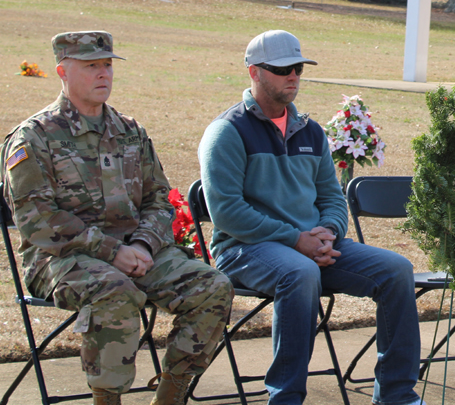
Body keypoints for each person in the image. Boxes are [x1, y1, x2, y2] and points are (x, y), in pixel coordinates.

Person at [1, 31, 233, 405]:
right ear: (62, 71)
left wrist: (142, 244)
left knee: (212, 286)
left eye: (107, 65)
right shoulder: (35, 136)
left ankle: (171, 393)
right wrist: (112, 252)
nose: (103, 74)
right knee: (116, 291)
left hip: (138, 252)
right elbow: (37, 220)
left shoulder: (129, 131)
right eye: (91, 66)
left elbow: (160, 200)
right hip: (59, 259)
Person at [198, 30, 422, 405]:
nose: (293, 76)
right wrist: (296, 240)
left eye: (298, 67)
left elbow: (332, 197)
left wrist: (329, 233)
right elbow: (227, 213)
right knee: (299, 273)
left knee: (397, 270)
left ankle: (398, 396)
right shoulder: (227, 132)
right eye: (282, 68)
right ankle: (286, 399)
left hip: (312, 247)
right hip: (245, 248)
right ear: (254, 72)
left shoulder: (312, 132)